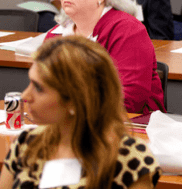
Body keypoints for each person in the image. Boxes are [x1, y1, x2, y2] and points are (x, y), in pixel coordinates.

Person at [0, 36, 161, 189]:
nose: (25, 96)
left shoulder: (129, 159)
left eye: (39, 88)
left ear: (75, 100)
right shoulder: (27, 144)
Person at [45, 0, 164, 113]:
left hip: (130, 128)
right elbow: (41, 89)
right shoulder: (55, 35)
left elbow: (128, 101)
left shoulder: (128, 30)